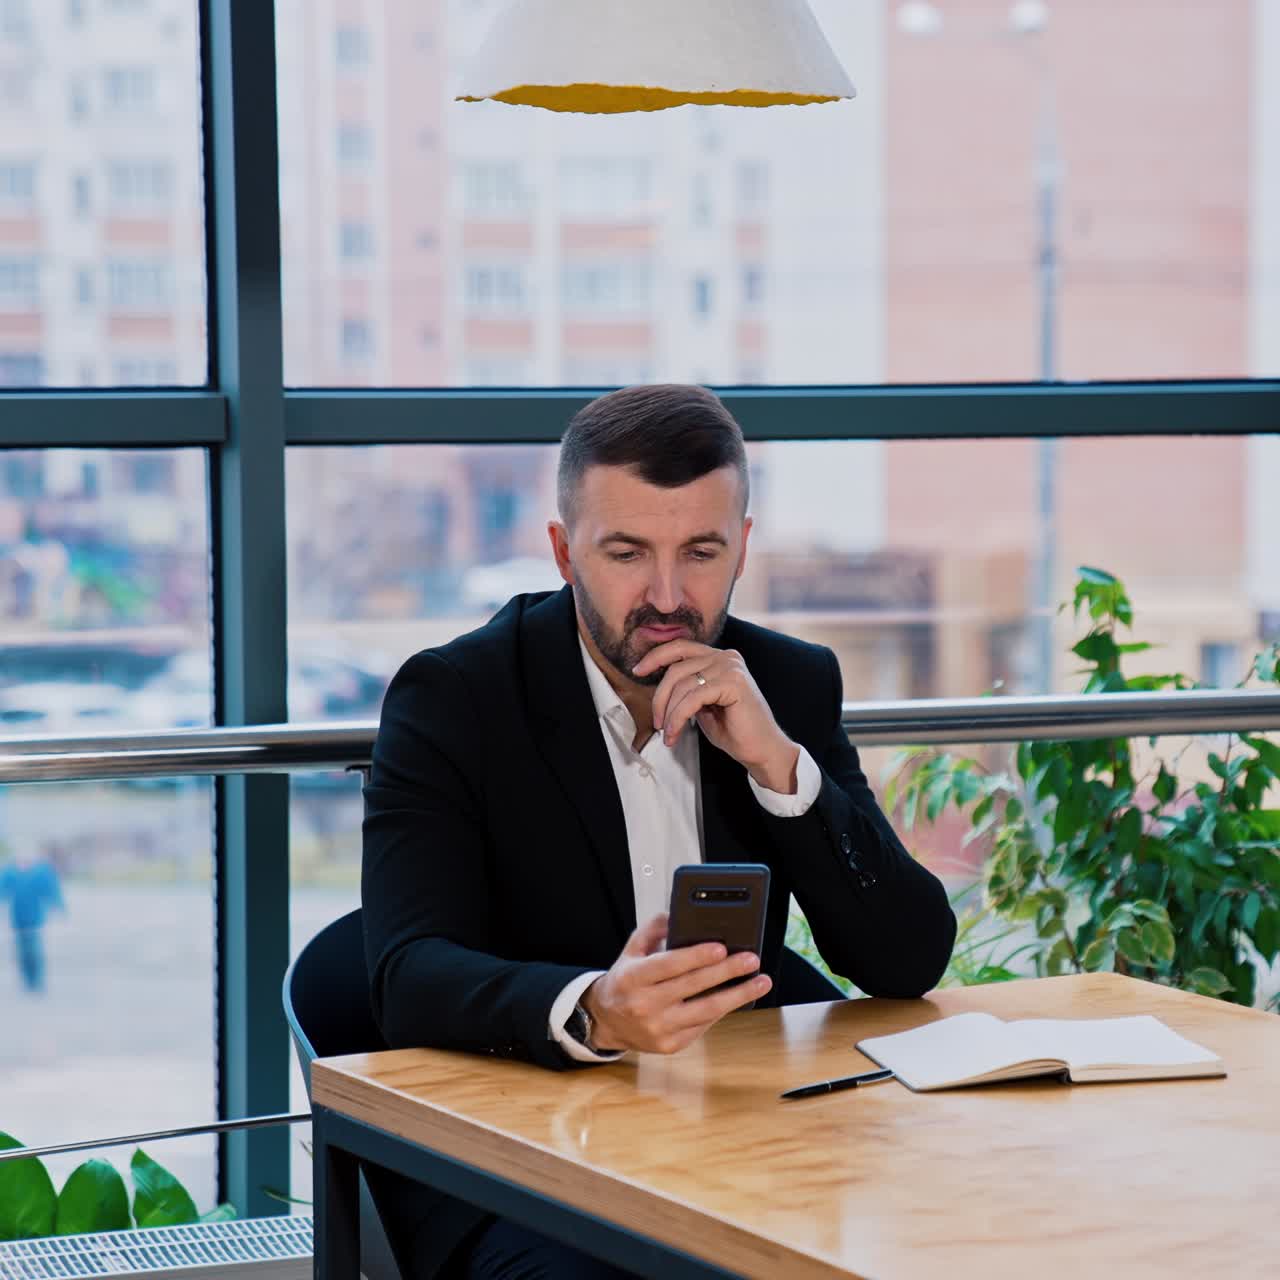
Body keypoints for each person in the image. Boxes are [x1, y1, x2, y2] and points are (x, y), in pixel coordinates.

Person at [362, 384, 957, 1280]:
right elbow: (406, 975)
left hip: (748, 1130)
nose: (668, 596)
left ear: (743, 548)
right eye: (628, 552)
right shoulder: (455, 698)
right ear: (564, 551)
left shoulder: (785, 684)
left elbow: (907, 960)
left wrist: (780, 768)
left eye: (702, 552)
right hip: (527, 1155)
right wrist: (596, 1008)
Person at [0, 847, 66, 994]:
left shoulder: (41, 873)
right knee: (21, 950)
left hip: (35, 918)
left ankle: (36, 979)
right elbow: (2, 890)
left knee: (34, 948)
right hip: (17, 918)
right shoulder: (10, 873)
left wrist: (59, 906)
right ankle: (27, 979)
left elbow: (52, 890)